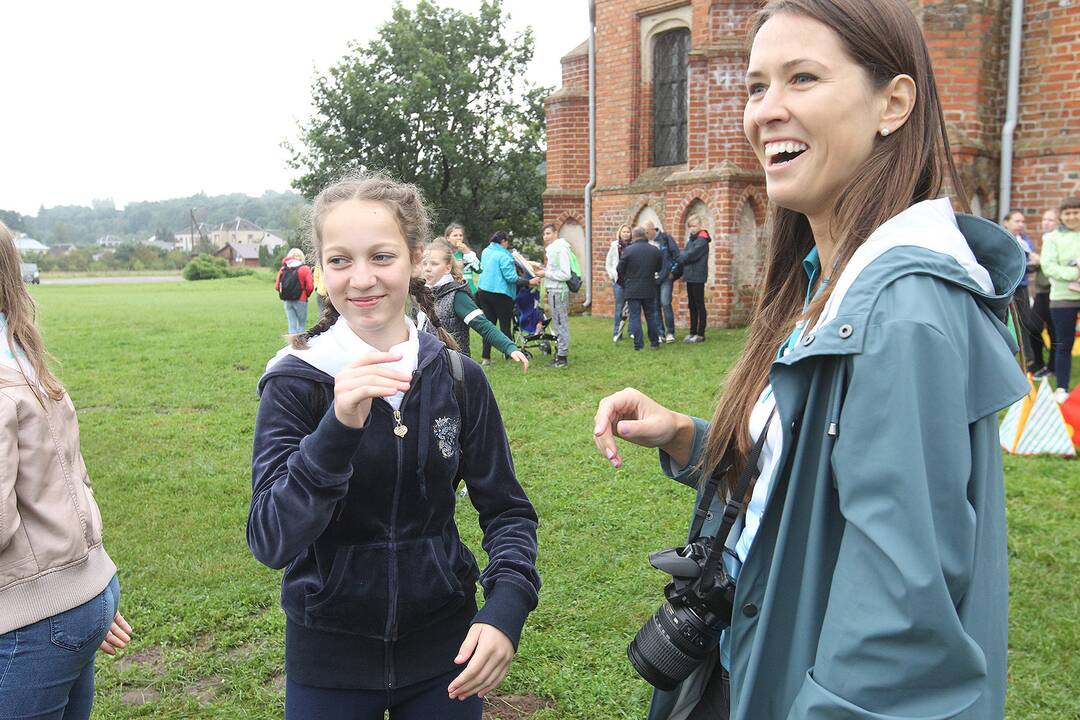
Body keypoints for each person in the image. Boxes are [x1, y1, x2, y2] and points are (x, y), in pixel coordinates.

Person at [593, 2, 1028, 718]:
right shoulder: (828, 280)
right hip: (746, 666)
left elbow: (898, 632)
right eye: (757, 87)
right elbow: (810, 485)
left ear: (893, 103)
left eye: (802, 78)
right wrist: (686, 436)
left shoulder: (902, 315)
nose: (766, 111)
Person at [249, 173, 540, 720]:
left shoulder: (457, 377)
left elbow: (508, 511)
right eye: (340, 261)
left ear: (415, 260)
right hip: (328, 661)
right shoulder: (296, 381)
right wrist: (336, 430)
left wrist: (506, 607)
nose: (362, 279)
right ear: (321, 270)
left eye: (381, 256)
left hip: (445, 655)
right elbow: (270, 538)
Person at [0, 222, 132, 719]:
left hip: (29, 619)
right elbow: (68, 483)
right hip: (70, 599)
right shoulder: (18, 354)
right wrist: (84, 591)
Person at [419, 240, 529, 371]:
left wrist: (510, 347)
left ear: (448, 268)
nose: (427, 268)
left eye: (434, 264)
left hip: (451, 369)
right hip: (426, 367)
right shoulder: (421, 294)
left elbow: (484, 326)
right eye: (424, 263)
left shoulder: (456, 296)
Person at [1040, 196, 1080, 403]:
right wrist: (1075, 274)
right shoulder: (1052, 238)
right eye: (1068, 213)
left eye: (1076, 212)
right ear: (1061, 216)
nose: (1072, 216)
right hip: (1063, 298)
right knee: (1064, 344)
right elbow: (1048, 267)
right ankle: (1062, 388)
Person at [477, 231, 537, 366]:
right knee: (505, 326)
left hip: (483, 291)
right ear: (503, 241)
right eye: (507, 241)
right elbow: (511, 278)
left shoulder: (486, 251)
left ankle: (486, 357)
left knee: (488, 325)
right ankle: (509, 355)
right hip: (501, 294)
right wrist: (529, 282)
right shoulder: (505, 256)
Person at [1001, 210, 1041, 368]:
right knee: (1007, 322)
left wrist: (1033, 264)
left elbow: (1030, 264)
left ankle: (1028, 358)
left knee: (1025, 322)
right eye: (1017, 221)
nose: (1020, 225)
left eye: (1022, 222)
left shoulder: (1025, 241)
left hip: (1022, 287)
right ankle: (1009, 357)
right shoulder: (1002, 239)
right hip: (1007, 287)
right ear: (1006, 222)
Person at [616, 227, 663, 351]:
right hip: (649, 287)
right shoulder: (654, 250)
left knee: (635, 316)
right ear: (645, 235)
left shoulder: (628, 251)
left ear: (634, 236)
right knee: (651, 316)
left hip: (632, 288)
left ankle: (639, 345)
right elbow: (659, 268)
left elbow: (619, 269)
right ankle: (654, 342)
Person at [1027, 209, 1059, 378]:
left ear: (1058, 222)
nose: (1046, 222)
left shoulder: (1059, 240)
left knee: (1055, 331)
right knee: (1033, 327)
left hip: (1055, 292)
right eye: (1044, 219)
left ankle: (1053, 367)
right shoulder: (1046, 239)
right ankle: (1038, 362)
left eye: (1051, 219)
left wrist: (1041, 261)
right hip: (1041, 291)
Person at [538, 223, 573, 368]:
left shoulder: (560, 249)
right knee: (557, 324)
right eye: (544, 234)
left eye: (548, 233)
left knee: (560, 323)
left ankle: (562, 357)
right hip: (553, 289)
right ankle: (559, 353)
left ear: (555, 233)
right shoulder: (553, 249)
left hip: (559, 291)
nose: (546, 237)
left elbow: (566, 274)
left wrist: (545, 273)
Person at [645, 221, 682, 343]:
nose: (645, 235)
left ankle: (670, 332)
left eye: (646, 232)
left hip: (666, 277)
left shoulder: (666, 238)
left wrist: (673, 271)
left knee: (665, 303)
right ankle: (660, 333)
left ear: (652, 230)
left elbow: (677, 256)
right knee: (655, 306)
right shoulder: (646, 242)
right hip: (652, 279)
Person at [678, 217, 711, 343]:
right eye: (691, 226)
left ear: (700, 225)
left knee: (699, 304)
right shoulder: (692, 239)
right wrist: (682, 256)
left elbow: (690, 255)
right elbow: (686, 253)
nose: (693, 228)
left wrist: (679, 256)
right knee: (691, 305)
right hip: (690, 276)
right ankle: (692, 332)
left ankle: (700, 334)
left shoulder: (702, 240)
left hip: (698, 276)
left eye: (695, 225)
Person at [276, 248, 315, 335]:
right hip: (301, 299)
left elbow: (277, 286)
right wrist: (306, 295)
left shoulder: (283, 269)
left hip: (287, 300)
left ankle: (292, 346)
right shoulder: (305, 268)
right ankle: (300, 345)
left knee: (291, 325)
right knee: (301, 325)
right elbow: (310, 286)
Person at [605, 224, 633, 342]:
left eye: (628, 232)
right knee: (619, 307)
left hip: (632, 281)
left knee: (632, 307)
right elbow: (608, 263)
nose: (626, 234)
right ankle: (617, 332)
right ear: (620, 233)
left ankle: (632, 332)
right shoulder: (614, 246)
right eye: (624, 232)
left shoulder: (634, 246)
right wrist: (612, 274)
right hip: (619, 281)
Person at [444, 223, 482, 295]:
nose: (459, 238)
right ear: (448, 238)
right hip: (454, 292)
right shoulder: (445, 254)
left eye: (460, 235)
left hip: (471, 291)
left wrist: (467, 252)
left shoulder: (468, 253)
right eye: (455, 235)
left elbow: (479, 270)